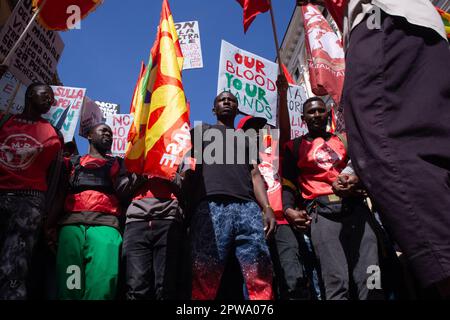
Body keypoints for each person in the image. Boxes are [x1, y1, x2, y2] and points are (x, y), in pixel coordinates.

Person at [296, 0, 450, 297]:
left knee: (384, 147)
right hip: (419, 27)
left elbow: (387, 151)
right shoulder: (294, 147)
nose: (317, 115)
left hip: (385, 19)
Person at [281, 97, 382, 300]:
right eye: (311, 112)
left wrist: (356, 182)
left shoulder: (345, 140)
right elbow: (288, 185)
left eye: (320, 110)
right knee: (335, 281)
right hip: (323, 215)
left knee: (372, 275)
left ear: (328, 114)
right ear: (303, 118)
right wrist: (288, 210)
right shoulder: (293, 147)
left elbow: (365, 168)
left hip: (357, 211)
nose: (317, 115)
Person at [187, 91, 277, 300]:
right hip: (211, 207)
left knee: (259, 273)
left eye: (231, 100)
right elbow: (185, 164)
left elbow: (255, 174)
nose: (227, 102)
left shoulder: (246, 140)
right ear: (213, 108)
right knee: (205, 275)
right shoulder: (201, 131)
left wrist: (267, 208)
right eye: (221, 100)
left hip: (248, 209)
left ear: (237, 108)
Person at [0, 82, 62, 299]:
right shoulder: (5, 120)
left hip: (29, 202)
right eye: (45, 95)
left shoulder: (54, 133)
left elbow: (55, 176)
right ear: (28, 95)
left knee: (14, 265)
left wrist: (45, 211)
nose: (49, 100)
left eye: (51, 98)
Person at [54, 123, 124, 300]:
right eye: (103, 130)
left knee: (101, 284)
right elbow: (60, 193)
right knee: (71, 284)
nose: (108, 134)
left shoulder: (118, 164)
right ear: (90, 136)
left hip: (105, 229)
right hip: (72, 230)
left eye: (111, 133)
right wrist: (49, 225)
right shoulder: (73, 163)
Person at [118, 170, 186, 300]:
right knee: (136, 288)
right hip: (136, 223)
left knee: (166, 289)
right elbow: (120, 189)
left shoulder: (179, 150)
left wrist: (166, 171)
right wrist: (142, 173)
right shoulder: (134, 151)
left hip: (169, 221)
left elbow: (188, 189)